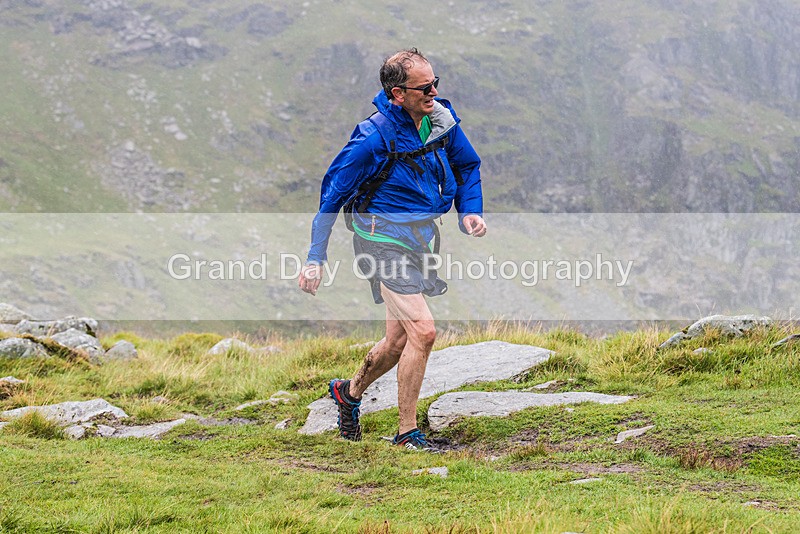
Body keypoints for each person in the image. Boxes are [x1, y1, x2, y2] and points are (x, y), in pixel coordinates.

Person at [298, 48, 486, 450]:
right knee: (425, 330)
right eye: (425, 87)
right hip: (380, 242)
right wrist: (316, 258)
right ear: (398, 93)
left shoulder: (440, 120)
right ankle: (406, 433)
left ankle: (347, 393)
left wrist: (469, 211)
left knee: (397, 342)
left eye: (436, 82)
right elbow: (331, 197)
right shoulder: (372, 138)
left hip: (418, 239)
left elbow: (467, 166)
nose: (434, 92)